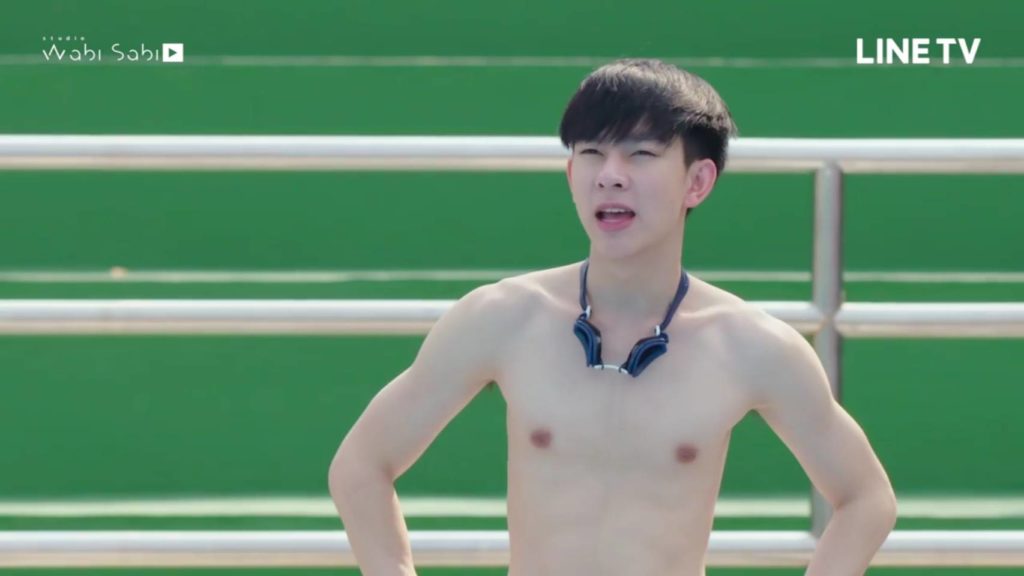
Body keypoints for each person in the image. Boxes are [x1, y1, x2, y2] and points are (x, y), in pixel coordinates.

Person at [328, 58, 897, 576]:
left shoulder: (752, 344)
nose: (610, 175)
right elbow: (361, 465)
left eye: (641, 154)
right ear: (570, 174)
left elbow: (866, 498)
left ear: (697, 181)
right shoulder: (502, 317)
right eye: (592, 153)